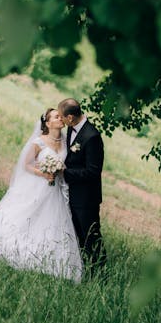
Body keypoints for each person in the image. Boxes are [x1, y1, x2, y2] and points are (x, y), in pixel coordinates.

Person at [0, 108, 82, 282]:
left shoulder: (66, 143)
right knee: (28, 215)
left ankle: (51, 259)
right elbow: (26, 164)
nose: (61, 119)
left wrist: (60, 171)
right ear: (48, 123)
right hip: (39, 185)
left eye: (61, 116)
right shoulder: (39, 142)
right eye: (56, 117)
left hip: (56, 189)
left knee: (52, 220)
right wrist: (43, 173)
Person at [58, 98, 107, 275]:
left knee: (91, 237)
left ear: (70, 117)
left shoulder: (92, 136)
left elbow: (93, 172)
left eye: (62, 117)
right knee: (77, 236)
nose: (61, 121)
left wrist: (65, 173)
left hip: (86, 199)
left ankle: (100, 274)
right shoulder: (71, 128)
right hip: (71, 193)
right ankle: (82, 269)